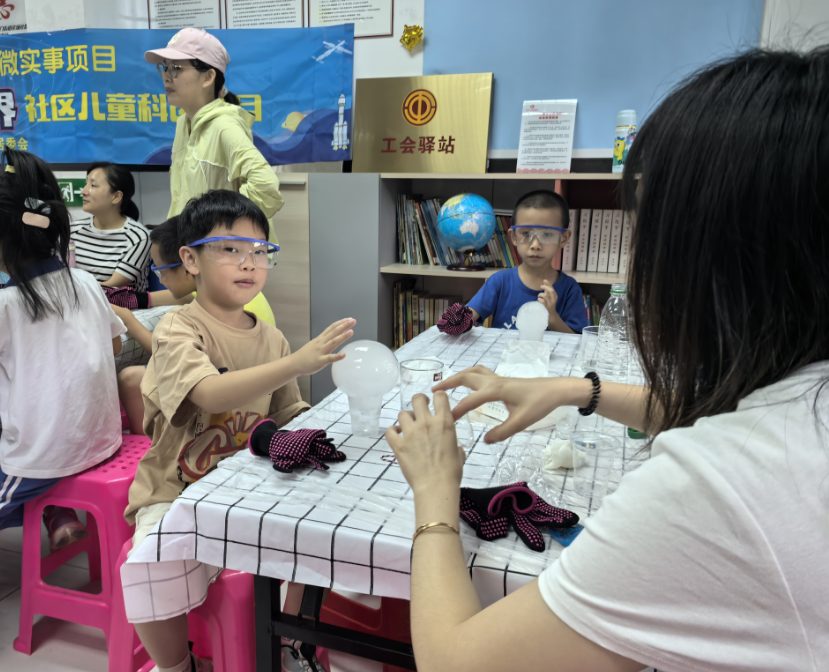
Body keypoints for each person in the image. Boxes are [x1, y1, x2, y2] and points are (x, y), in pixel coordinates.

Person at [386, 46, 829, 672]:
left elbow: (455, 663)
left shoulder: (717, 487)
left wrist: (435, 491)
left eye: (644, 231)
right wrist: (575, 390)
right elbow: (733, 415)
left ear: (705, 255)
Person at [122, 189, 354, 672]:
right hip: (177, 491)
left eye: (260, 251)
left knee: (321, 534)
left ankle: (289, 644)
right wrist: (297, 362)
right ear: (190, 259)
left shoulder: (272, 338)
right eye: (230, 248)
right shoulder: (177, 328)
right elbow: (209, 393)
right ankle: (177, 665)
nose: (249, 262)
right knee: (148, 565)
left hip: (250, 489)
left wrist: (332, 425)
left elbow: (290, 414)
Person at [0, 149, 126, 583]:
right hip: (101, 440)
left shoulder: (3, 305)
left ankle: (48, 506)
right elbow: (113, 345)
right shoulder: (85, 282)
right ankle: (57, 513)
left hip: (44, 456)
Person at [144, 27, 282, 323]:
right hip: (199, 264)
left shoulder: (224, 126)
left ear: (208, 77)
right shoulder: (185, 124)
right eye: (164, 68)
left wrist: (222, 232)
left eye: (176, 68)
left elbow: (266, 186)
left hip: (223, 267)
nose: (167, 76)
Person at [111, 215, 276, 435]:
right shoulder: (227, 288)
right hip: (252, 380)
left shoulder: (213, 305)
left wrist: (128, 319)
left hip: (228, 388)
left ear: (188, 263)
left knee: (130, 378)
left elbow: (167, 354)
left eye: (161, 272)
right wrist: (136, 299)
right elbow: (165, 297)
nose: (161, 280)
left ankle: (149, 443)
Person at [467, 190, 586, 333]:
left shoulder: (570, 289)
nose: (535, 245)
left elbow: (576, 339)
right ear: (514, 237)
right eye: (526, 233)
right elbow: (468, 315)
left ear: (564, 238)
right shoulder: (499, 281)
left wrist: (552, 317)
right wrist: (456, 320)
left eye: (547, 234)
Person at [73, 162, 152, 292]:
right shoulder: (72, 230)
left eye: (93, 185)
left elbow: (112, 287)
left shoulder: (138, 237)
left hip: (120, 304)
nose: (83, 191)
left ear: (116, 197)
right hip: (76, 302)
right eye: (86, 184)